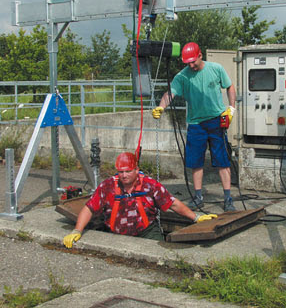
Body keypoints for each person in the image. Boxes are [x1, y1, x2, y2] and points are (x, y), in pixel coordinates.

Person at [63, 152, 216, 248]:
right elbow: (89, 208)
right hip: (115, 233)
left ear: (136, 170)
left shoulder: (150, 185)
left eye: (128, 171)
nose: (124, 175)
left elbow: (172, 203)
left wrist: (196, 217)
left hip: (146, 232)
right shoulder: (108, 185)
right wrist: (77, 230)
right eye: (121, 172)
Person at [152, 42, 237, 212]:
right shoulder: (182, 77)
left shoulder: (216, 69)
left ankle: (228, 197)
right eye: (187, 63)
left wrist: (231, 108)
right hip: (196, 124)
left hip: (216, 120)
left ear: (200, 56)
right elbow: (170, 93)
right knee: (195, 162)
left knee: (222, 160)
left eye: (193, 61)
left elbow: (229, 86)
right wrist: (161, 106)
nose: (191, 65)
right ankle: (198, 197)